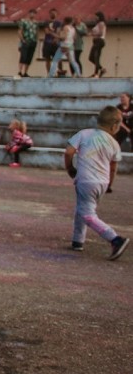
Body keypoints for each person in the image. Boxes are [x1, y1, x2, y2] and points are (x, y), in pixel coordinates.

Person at [64, 106, 129, 260]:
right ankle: (78, 240)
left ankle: (115, 239)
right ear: (114, 126)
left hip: (86, 180)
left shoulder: (84, 134)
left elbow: (68, 152)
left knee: (87, 213)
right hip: (102, 181)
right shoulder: (114, 143)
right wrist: (109, 185)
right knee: (83, 208)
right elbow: (113, 167)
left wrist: (70, 169)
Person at [17, 8, 38, 77]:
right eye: (31, 13)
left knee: (29, 57)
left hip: (33, 41)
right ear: (29, 13)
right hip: (26, 40)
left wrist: (36, 40)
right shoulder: (24, 21)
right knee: (23, 56)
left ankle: (25, 72)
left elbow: (36, 32)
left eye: (34, 13)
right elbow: (20, 31)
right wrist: (22, 40)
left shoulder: (35, 23)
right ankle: (20, 71)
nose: (32, 15)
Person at [42, 8, 62, 76]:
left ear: (57, 14)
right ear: (49, 14)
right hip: (47, 43)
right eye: (52, 13)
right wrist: (53, 34)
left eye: (55, 13)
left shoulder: (58, 23)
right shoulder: (46, 22)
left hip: (55, 43)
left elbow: (58, 32)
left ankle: (59, 72)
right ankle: (49, 73)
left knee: (57, 59)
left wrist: (56, 38)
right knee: (47, 59)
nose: (53, 14)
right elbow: (46, 31)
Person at [88, 11, 107, 77]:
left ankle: (96, 73)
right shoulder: (97, 24)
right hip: (96, 41)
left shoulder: (101, 23)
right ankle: (101, 69)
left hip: (99, 41)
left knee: (96, 57)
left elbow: (101, 33)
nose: (95, 18)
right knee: (91, 57)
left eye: (96, 16)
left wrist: (92, 34)